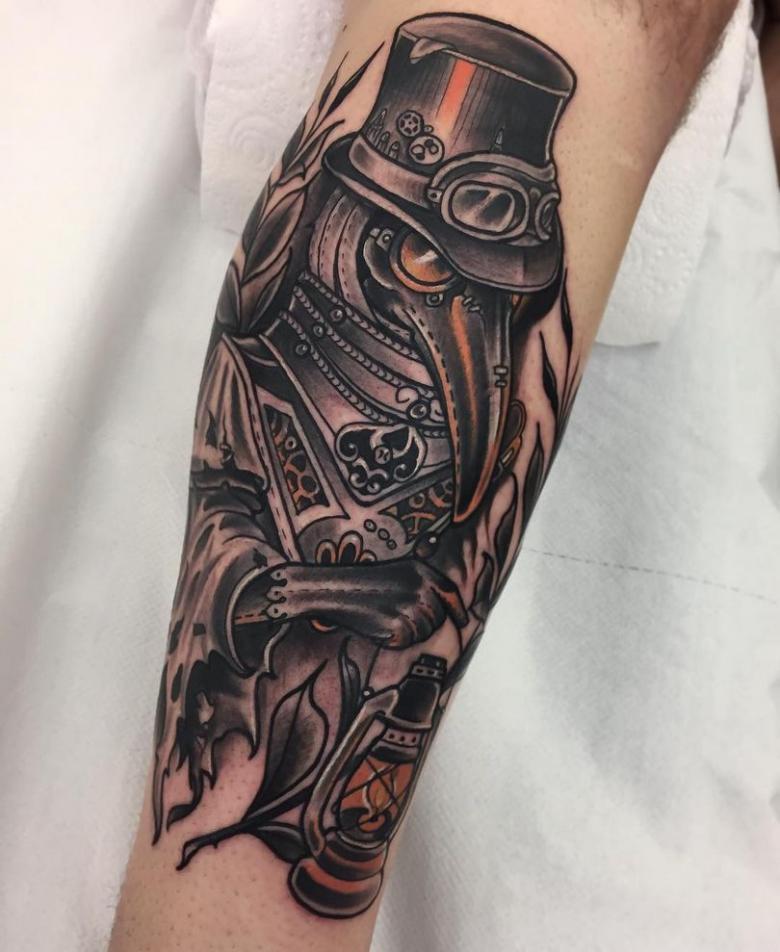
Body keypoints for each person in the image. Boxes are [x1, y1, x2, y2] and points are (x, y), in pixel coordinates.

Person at [109, 2, 740, 950]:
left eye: (495, 289)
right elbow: (229, 563)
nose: (469, 316)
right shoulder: (275, 360)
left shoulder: (476, 409)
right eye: (429, 264)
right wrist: (322, 592)